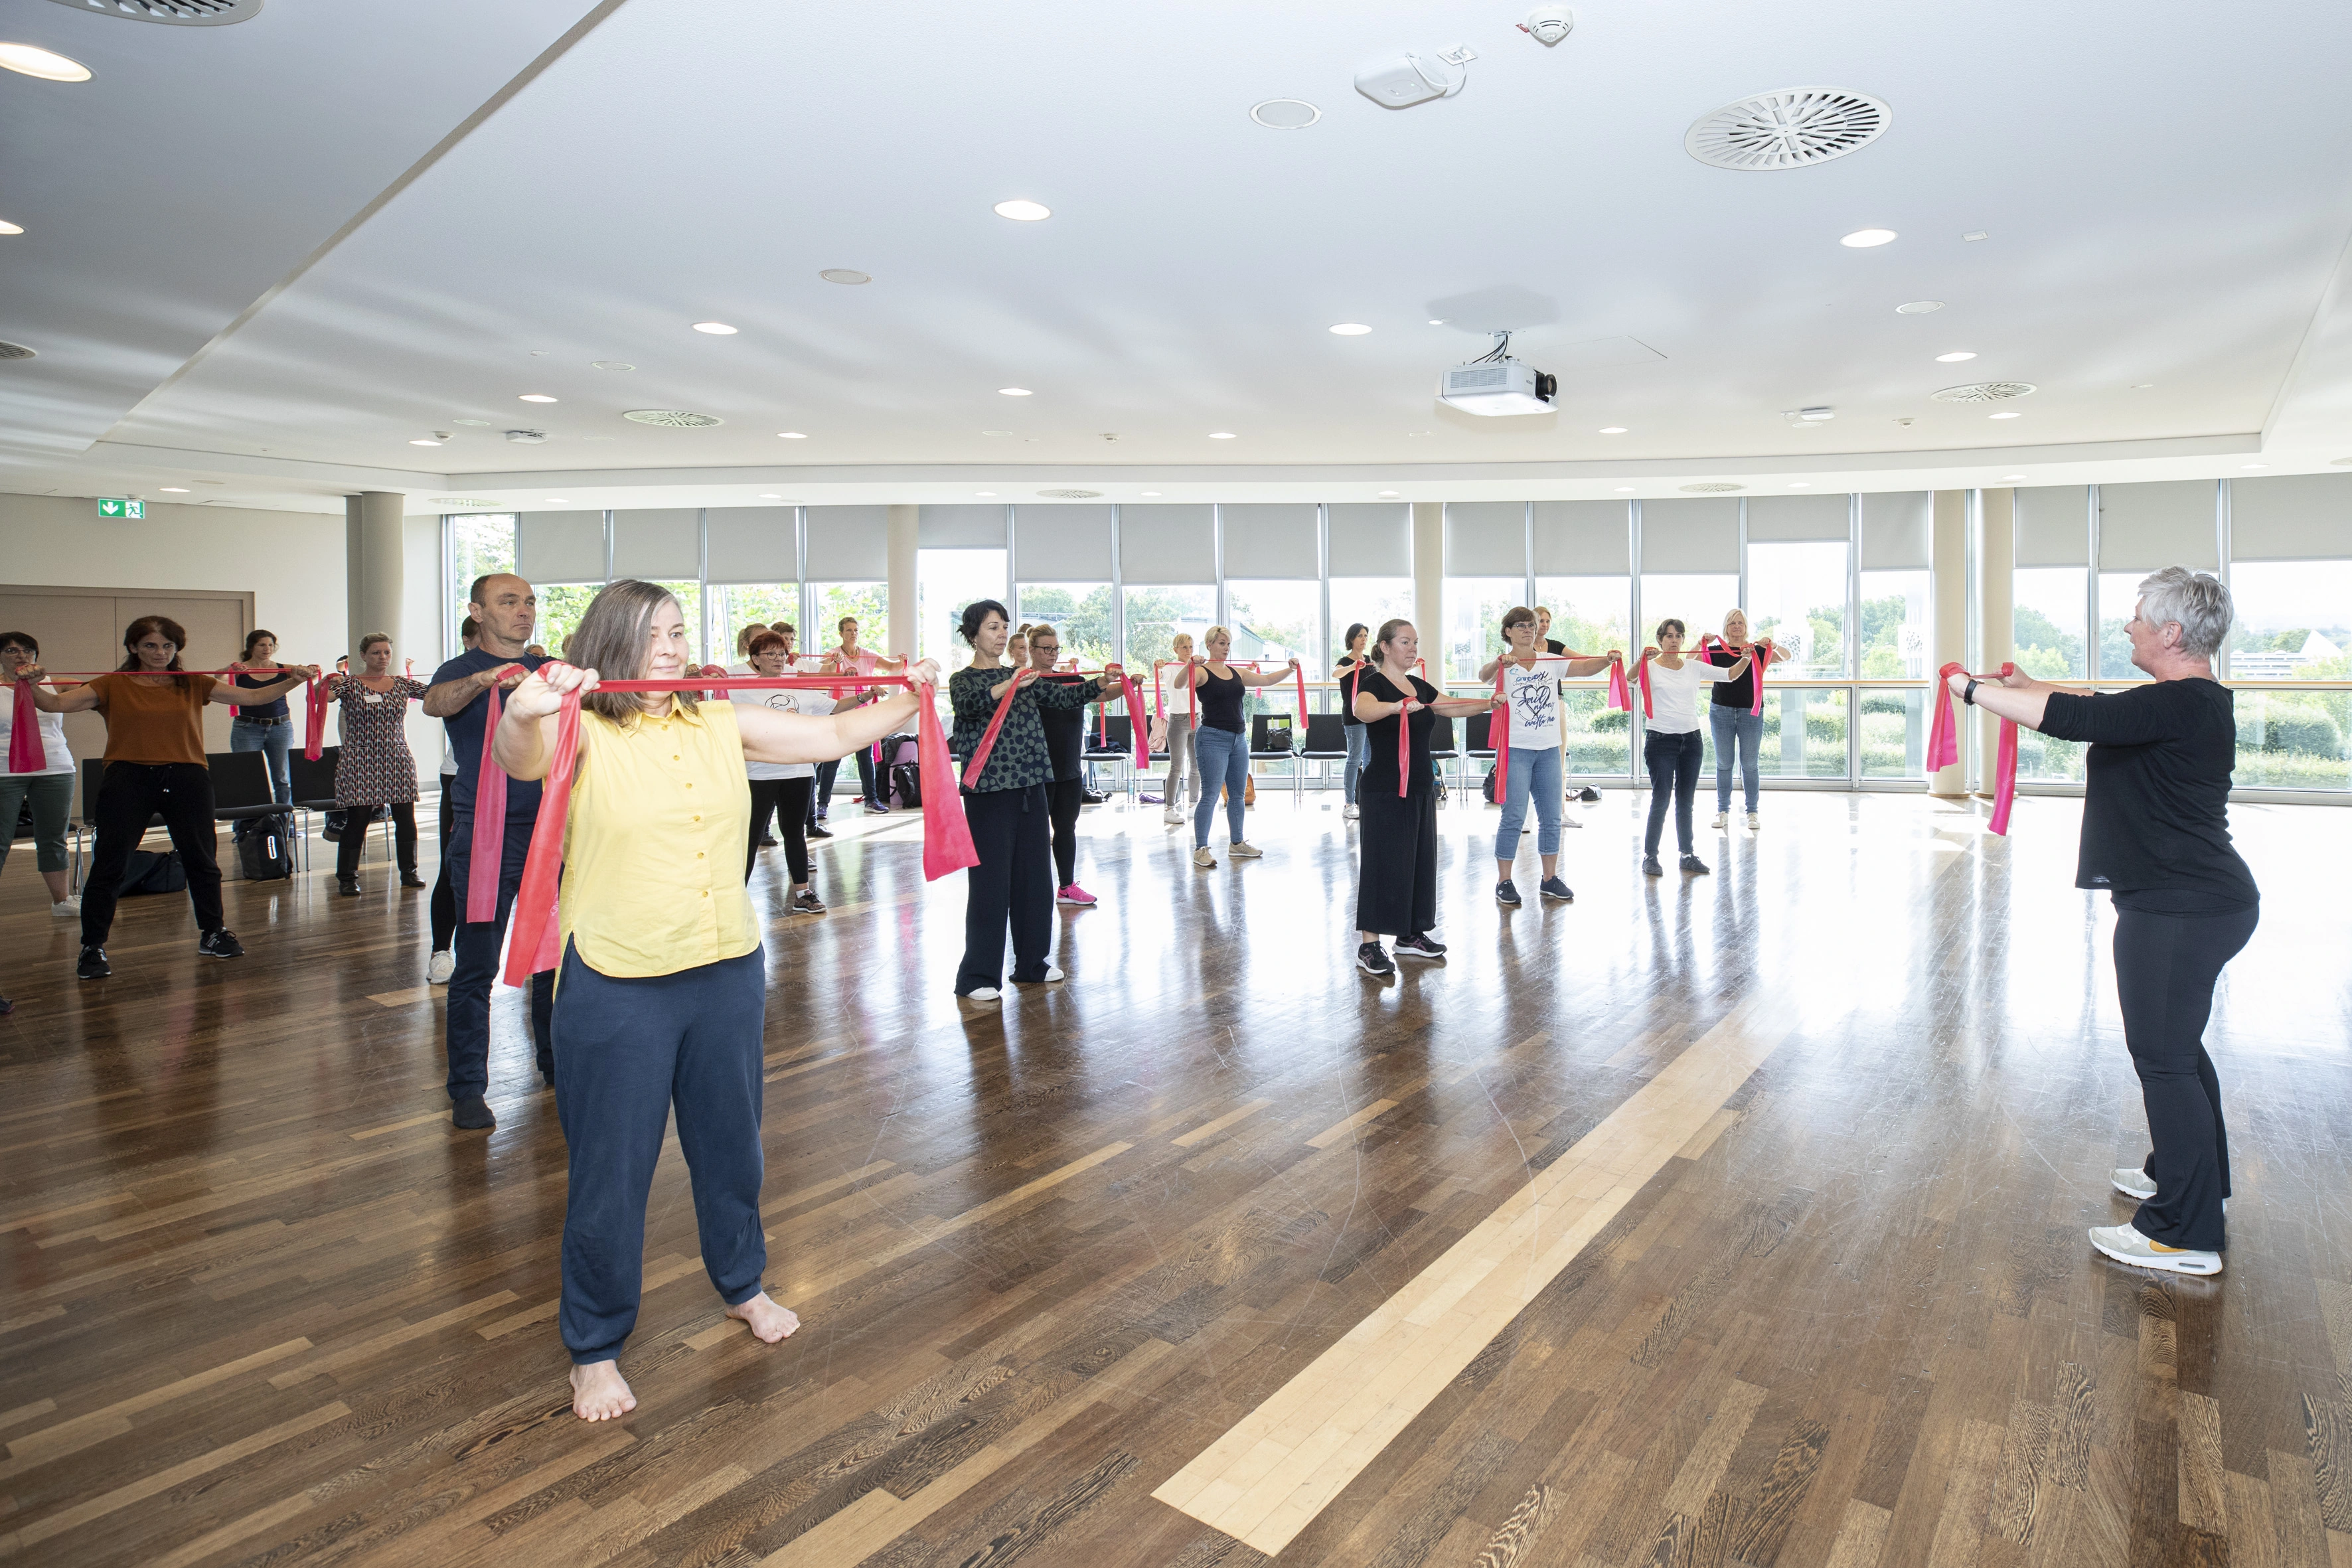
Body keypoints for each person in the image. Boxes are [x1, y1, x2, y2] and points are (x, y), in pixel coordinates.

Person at [489, 579, 939, 1421]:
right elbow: (519, 753)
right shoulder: (576, 726)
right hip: (618, 980)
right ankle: (592, 1346)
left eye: (679, 629)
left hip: (726, 968)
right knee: (610, 1172)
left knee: (732, 1148)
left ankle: (742, 1282)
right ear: (613, 639)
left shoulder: (715, 718)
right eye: (655, 631)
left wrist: (906, 691)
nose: (671, 643)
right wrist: (526, 706)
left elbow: (834, 731)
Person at [1951, 567, 2256, 1276]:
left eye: (2140, 616)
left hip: (2181, 907)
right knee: (2178, 1048)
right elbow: (2092, 706)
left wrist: (1970, 691)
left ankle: (2184, 1232)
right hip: (2192, 901)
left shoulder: (2184, 704)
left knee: (2164, 1056)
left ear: (2172, 633)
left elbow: (2080, 721)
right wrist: (2022, 684)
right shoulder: (2182, 701)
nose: (2129, 626)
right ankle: (2191, 1182)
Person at [23, 615, 315, 979]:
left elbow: (253, 696)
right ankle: (92, 946)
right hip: (128, 777)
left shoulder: (192, 684)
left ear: (177, 649)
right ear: (133, 648)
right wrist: (31, 685)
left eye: (167, 646)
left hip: (187, 777)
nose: (159, 653)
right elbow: (54, 706)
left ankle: (213, 932)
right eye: (150, 645)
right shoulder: (112, 685)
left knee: (202, 861)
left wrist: (292, 680)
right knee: (111, 865)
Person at [423, 573, 555, 1130]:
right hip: (486, 835)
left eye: (528, 602)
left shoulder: (547, 671)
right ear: (477, 611)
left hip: (549, 831)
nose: (523, 612)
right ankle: (468, 1088)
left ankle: (555, 1066)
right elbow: (434, 703)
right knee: (476, 966)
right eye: (508, 602)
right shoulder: (457, 671)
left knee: (554, 962)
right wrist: (486, 679)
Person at [947, 601, 1119, 1001]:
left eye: (1005, 626)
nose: (1002, 633)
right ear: (974, 634)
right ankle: (977, 976)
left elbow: (1062, 697)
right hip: (989, 791)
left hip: (1031, 787)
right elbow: (971, 706)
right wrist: (1008, 686)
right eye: (993, 627)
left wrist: (1100, 684)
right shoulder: (964, 680)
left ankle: (1031, 964)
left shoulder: (1022, 676)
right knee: (991, 884)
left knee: (1035, 880)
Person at [1350, 619, 1496, 977]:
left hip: (1418, 785)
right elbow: (1361, 710)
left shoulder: (1417, 686)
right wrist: (1397, 708)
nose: (1413, 649)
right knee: (1382, 861)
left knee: (1418, 858)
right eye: (1405, 642)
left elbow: (1451, 706)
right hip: (1384, 787)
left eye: (1415, 642)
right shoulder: (1373, 684)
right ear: (1385, 647)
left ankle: (1410, 934)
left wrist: (1491, 703)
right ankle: (1370, 945)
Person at [1478, 608, 1616, 905]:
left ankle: (1549, 879)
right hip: (1516, 750)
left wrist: (1607, 660)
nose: (1528, 629)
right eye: (1521, 626)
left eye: (1531, 625)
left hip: (1549, 750)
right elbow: (1484, 677)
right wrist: (1499, 662)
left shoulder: (1550, 661)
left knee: (1552, 817)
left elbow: (1584, 667)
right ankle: (1504, 881)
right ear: (1508, 632)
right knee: (1513, 816)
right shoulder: (1504, 664)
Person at [1179, 626, 1296, 869]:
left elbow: (1266, 680)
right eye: (1222, 643)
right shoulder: (1200, 672)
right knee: (1211, 795)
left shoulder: (1236, 673)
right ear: (1209, 644)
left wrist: (1291, 669)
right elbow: (1181, 684)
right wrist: (1190, 664)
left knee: (1238, 795)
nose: (1226, 648)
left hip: (1238, 739)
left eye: (1228, 644)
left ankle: (1237, 844)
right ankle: (1201, 848)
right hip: (1212, 738)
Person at [1634, 620, 1743, 878]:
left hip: (1691, 740)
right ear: (1660, 640)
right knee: (1661, 799)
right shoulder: (1649, 667)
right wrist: (1642, 658)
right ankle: (1651, 856)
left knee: (1686, 801)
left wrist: (1747, 659)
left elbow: (1729, 675)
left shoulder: (1693, 667)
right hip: (1660, 740)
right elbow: (1629, 677)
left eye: (1678, 636)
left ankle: (1687, 854)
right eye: (1669, 636)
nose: (1674, 640)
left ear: (1683, 640)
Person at [323, 635, 430, 896]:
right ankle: (347, 877)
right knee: (358, 819)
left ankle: (409, 872)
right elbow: (322, 698)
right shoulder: (350, 684)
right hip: (360, 758)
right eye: (375, 653)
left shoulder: (403, 684)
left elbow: (437, 694)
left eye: (386, 653)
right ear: (363, 656)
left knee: (405, 817)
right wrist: (325, 681)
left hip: (396, 756)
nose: (382, 658)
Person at [734, 629, 829, 913]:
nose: (778, 659)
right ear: (755, 659)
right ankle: (736, 899)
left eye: (782, 653)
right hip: (759, 773)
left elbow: (834, 708)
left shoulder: (798, 685)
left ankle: (803, 894)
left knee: (795, 832)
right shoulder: (739, 684)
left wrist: (866, 697)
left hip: (798, 771)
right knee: (750, 837)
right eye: (771, 654)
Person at [1024, 623, 1105, 907]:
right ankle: (1033, 891)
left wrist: (1128, 684)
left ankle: (1067, 887)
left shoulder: (1073, 679)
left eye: (1055, 648)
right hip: (1036, 772)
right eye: (1046, 648)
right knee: (1034, 834)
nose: (1052, 653)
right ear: (1032, 650)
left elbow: (1103, 694)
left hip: (1069, 769)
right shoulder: (1025, 682)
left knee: (1066, 828)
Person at [0, 632, 78, 917]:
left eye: (28, 650)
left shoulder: (54, 683)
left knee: (53, 837)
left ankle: (61, 902)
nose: (21, 655)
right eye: (11, 651)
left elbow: (105, 690)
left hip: (55, 767)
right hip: (4, 771)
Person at [426, 617, 479, 984]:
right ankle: (441, 951)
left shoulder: (526, 669)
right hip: (460, 779)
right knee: (454, 868)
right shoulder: (457, 674)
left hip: (518, 780)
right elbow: (436, 704)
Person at [1701, 609, 1774, 831]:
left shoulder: (1756, 650)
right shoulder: (1714, 651)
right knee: (1724, 764)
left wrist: (1772, 643)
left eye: (1740, 623)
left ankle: (1752, 813)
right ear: (1726, 627)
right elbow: (1691, 659)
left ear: (1746, 627)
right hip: (1721, 711)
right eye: (1732, 623)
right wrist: (1701, 641)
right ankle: (1723, 811)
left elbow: (1785, 656)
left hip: (1751, 712)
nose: (1736, 627)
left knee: (1750, 764)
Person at [226, 629, 295, 839]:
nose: (267, 649)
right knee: (247, 779)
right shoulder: (240, 669)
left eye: (270, 645)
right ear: (251, 648)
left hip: (280, 728)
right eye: (262, 645)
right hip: (247, 728)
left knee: (283, 778)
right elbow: (217, 678)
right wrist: (231, 668)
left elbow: (306, 673)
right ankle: (245, 827)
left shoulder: (284, 669)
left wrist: (310, 669)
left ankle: (286, 826)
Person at [1156, 631, 1202, 826]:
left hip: (1197, 720)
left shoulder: (1199, 667)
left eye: (1191, 647)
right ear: (1175, 649)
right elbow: (1158, 674)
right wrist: (1157, 665)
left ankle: (1193, 805)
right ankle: (1170, 809)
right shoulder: (1170, 668)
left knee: (1197, 766)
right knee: (1176, 767)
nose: (1188, 651)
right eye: (1184, 647)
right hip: (1178, 721)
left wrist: (1252, 667)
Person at [1334, 623, 1373, 821]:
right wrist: (1353, 666)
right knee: (1354, 759)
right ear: (1351, 639)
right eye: (1360, 636)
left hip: (1372, 716)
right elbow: (1336, 673)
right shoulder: (1345, 661)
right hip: (1353, 717)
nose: (1364, 639)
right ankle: (1349, 803)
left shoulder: (1371, 661)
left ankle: (1368, 799)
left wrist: (1411, 665)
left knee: (1370, 760)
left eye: (1366, 635)